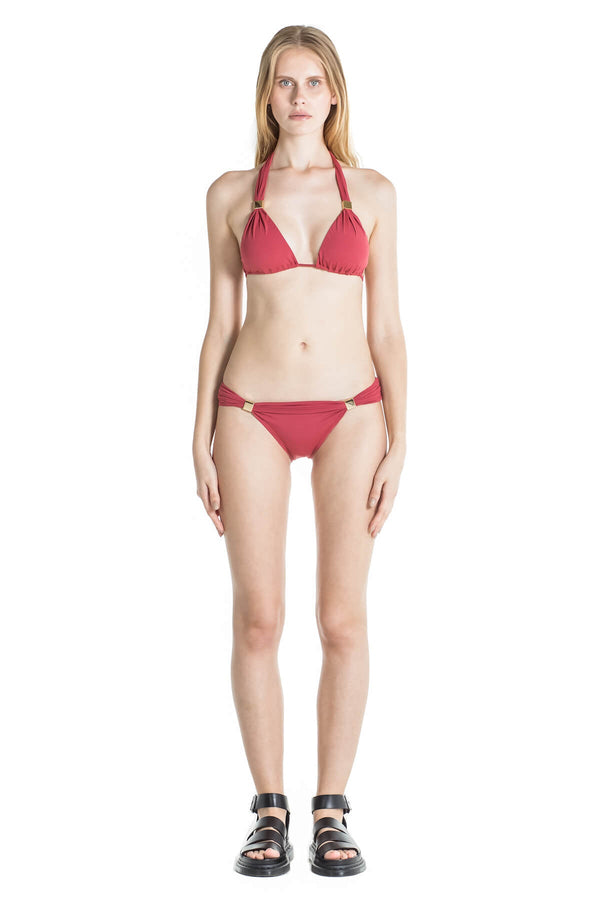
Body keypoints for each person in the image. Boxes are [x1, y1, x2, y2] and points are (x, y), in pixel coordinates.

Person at [192, 25, 407, 877]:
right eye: (285, 82)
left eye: (313, 82)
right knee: (259, 617)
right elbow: (220, 323)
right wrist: (199, 435)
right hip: (251, 410)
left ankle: (331, 809)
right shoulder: (230, 194)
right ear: (267, 95)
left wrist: (401, 439)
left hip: (353, 413)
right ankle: (269, 811)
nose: (299, 97)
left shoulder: (375, 192)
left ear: (335, 93)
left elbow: (387, 328)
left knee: (342, 618)